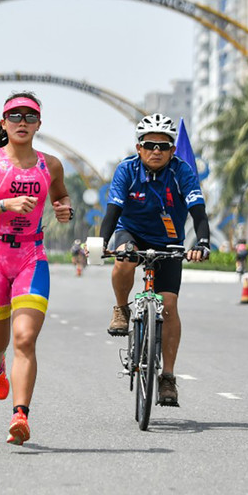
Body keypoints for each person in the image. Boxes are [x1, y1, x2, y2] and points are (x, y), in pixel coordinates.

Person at [0, 92, 72, 445]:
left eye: (30, 116)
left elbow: (61, 195)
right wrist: (4, 204)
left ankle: (20, 415)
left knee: (24, 338)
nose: (22, 122)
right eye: (15, 116)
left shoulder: (51, 165)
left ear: (39, 124)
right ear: (4, 122)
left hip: (31, 257)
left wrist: (64, 208)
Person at [98, 113, 211, 407]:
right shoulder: (126, 170)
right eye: (150, 145)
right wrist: (101, 242)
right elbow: (112, 211)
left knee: (169, 305)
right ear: (139, 148)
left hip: (169, 241)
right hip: (131, 232)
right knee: (124, 259)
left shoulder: (183, 172)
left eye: (163, 146)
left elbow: (199, 214)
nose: (156, 151)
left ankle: (167, 378)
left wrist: (202, 243)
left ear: (173, 150)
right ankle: (121, 309)